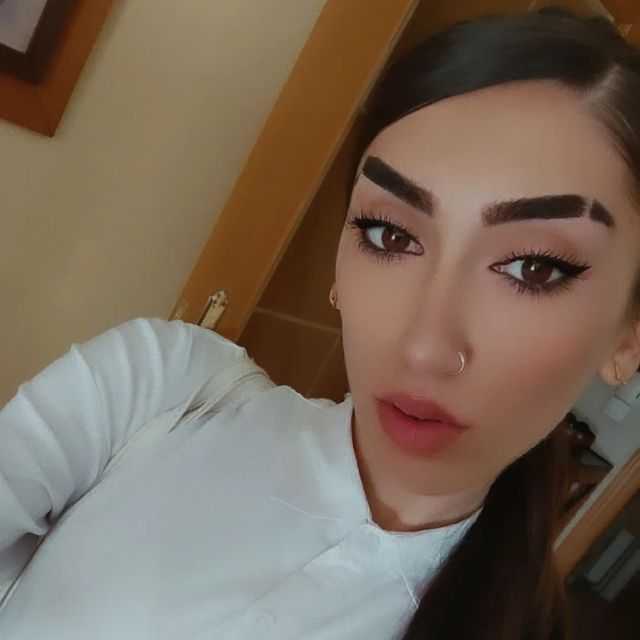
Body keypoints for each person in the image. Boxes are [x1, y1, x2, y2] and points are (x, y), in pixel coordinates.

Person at [2, 6, 640, 639]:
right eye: (390, 235)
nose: (423, 348)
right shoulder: (163, 388)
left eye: (534, 268)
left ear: (628, 337)